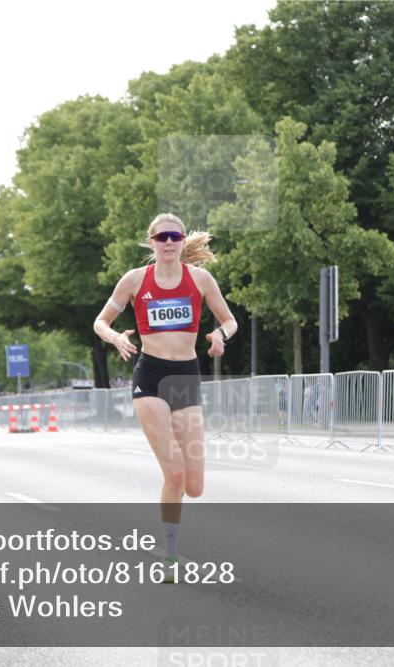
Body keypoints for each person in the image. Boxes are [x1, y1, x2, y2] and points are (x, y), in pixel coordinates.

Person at [93, 213, 237, 583]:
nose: (169, 242)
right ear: (151, 241)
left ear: (182, 240)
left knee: (195, 486)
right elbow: (100, 322)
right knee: (173, 472)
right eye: (162, 237)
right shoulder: (135, 280)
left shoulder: (201, 279)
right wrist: (116, 338)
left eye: (175, 236)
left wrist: (220, 335)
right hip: (151, 376)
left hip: (187, 377)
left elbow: (231, 320)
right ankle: (170, 555)